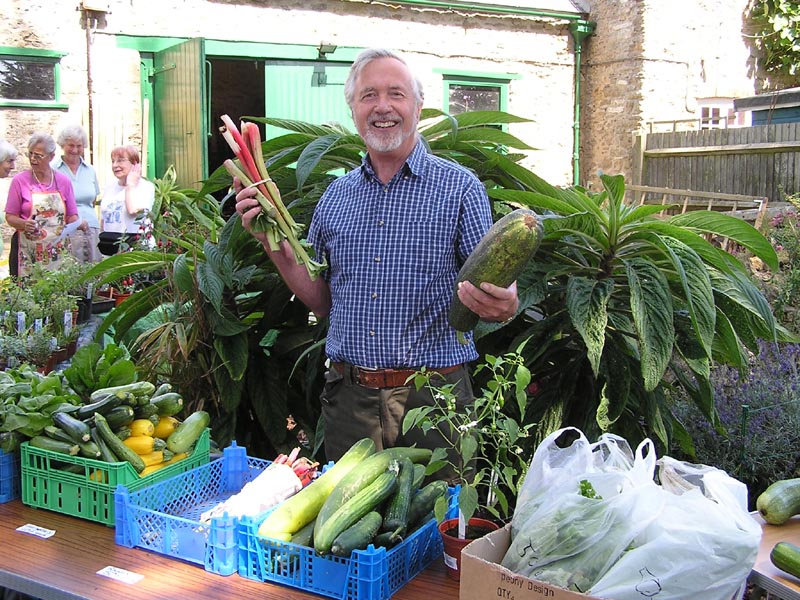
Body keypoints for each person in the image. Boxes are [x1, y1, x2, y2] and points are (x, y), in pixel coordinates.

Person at [235, 48, 518, 462]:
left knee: (437, 522)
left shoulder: (460, 189)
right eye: (368, 95)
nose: (382, 107)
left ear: (418, 107)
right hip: (350, 401)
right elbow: (322, 299)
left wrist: (503, 302)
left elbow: (496, 282)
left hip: (433, 401)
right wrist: (269, 242)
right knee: (349, 524)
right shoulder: (336, 196)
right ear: (353, 109)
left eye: (396, 94)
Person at [4, 132, 79, 278]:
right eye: (30, 154)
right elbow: (10, 217)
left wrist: (76, 224)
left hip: (56, 251)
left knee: (57, 291)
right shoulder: (20, 181)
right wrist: (24, 224)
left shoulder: (63, 182)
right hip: (28, 251)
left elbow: (72, 215)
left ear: (51, 156)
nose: (33, 159)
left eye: (38, 155)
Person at [52, 125, 101, 264]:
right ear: (62, 145)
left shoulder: (90, 170)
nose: (74, 150)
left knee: (93, 269)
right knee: (68, 268)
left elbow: (92, 200)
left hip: (91, 227)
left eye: (79, 146)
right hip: (66, 228)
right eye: (70, 145)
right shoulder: (53, 170)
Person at [99, 145, 154, 254]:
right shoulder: (109, 186)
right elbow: (103, 219)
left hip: (136, 249)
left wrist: (130, 185)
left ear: (134, 164)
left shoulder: (146, 187)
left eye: (120, 161)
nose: (115, 165)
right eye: (113, 161)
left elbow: (133, 210)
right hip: (111, 247)